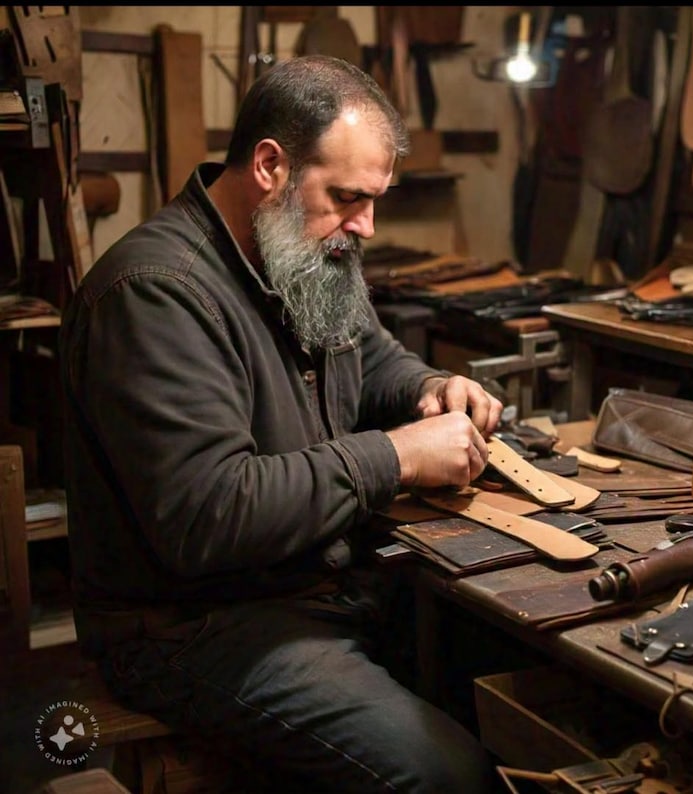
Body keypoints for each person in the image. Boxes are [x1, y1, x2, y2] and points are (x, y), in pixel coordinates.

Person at [59, 54, 503, 793]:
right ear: (270, 165)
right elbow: (208, 513)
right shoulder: (154, 295)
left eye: (375, 199)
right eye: (347, 197)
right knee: (445, 777)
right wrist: (395, 458)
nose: (365, 225)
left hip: (317, 583)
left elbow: (375, 361)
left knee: (516, 664)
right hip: (197, 626)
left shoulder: (306, 249)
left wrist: (433, 386)